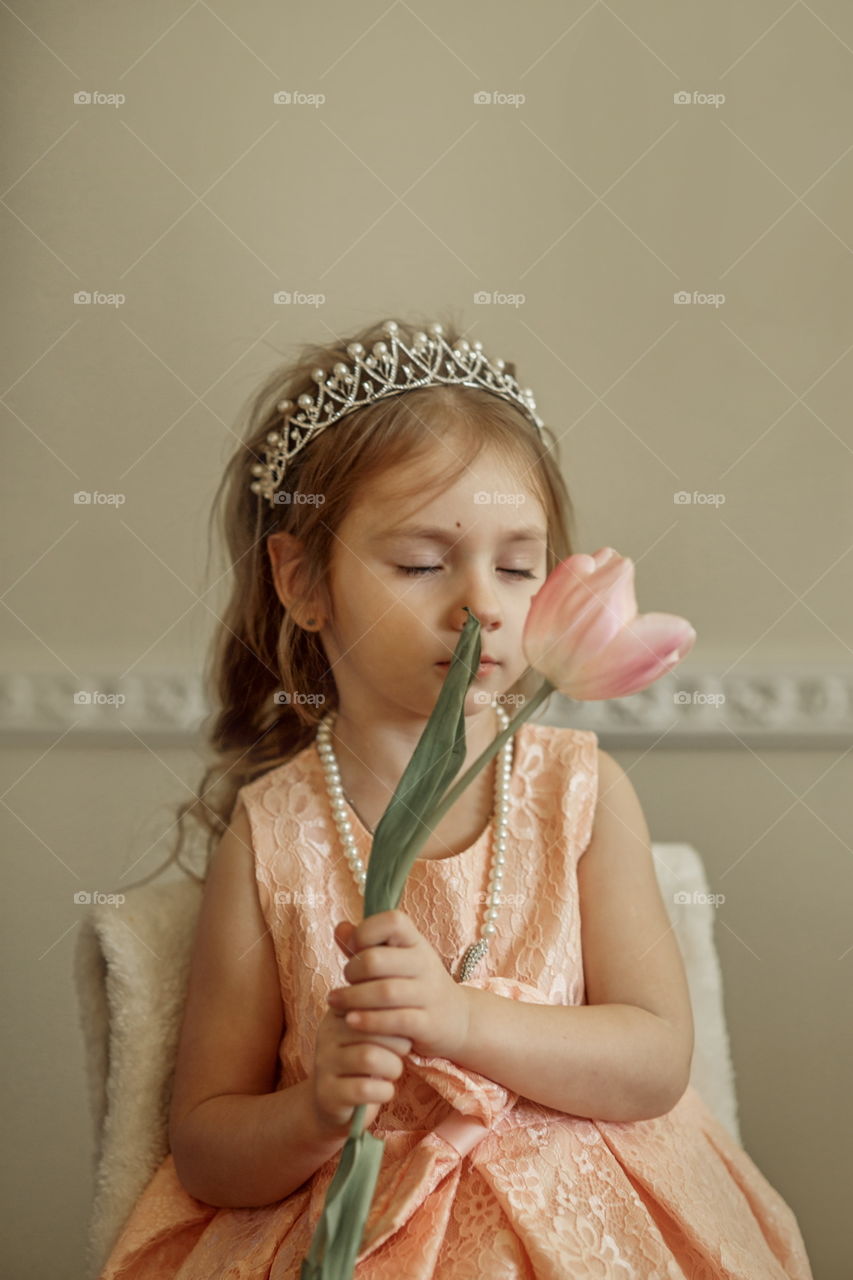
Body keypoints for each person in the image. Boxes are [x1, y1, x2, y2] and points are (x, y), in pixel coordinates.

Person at [98, 315, 814, 1278]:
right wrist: (314, 1115)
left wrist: (463, 1020)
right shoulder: (275, 835)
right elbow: (207, 1147)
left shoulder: (580, 793)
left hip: (585, 1226)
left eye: (517, 565)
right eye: (422, 564)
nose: (481, 602)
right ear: (302, 581)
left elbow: (652, 1061)